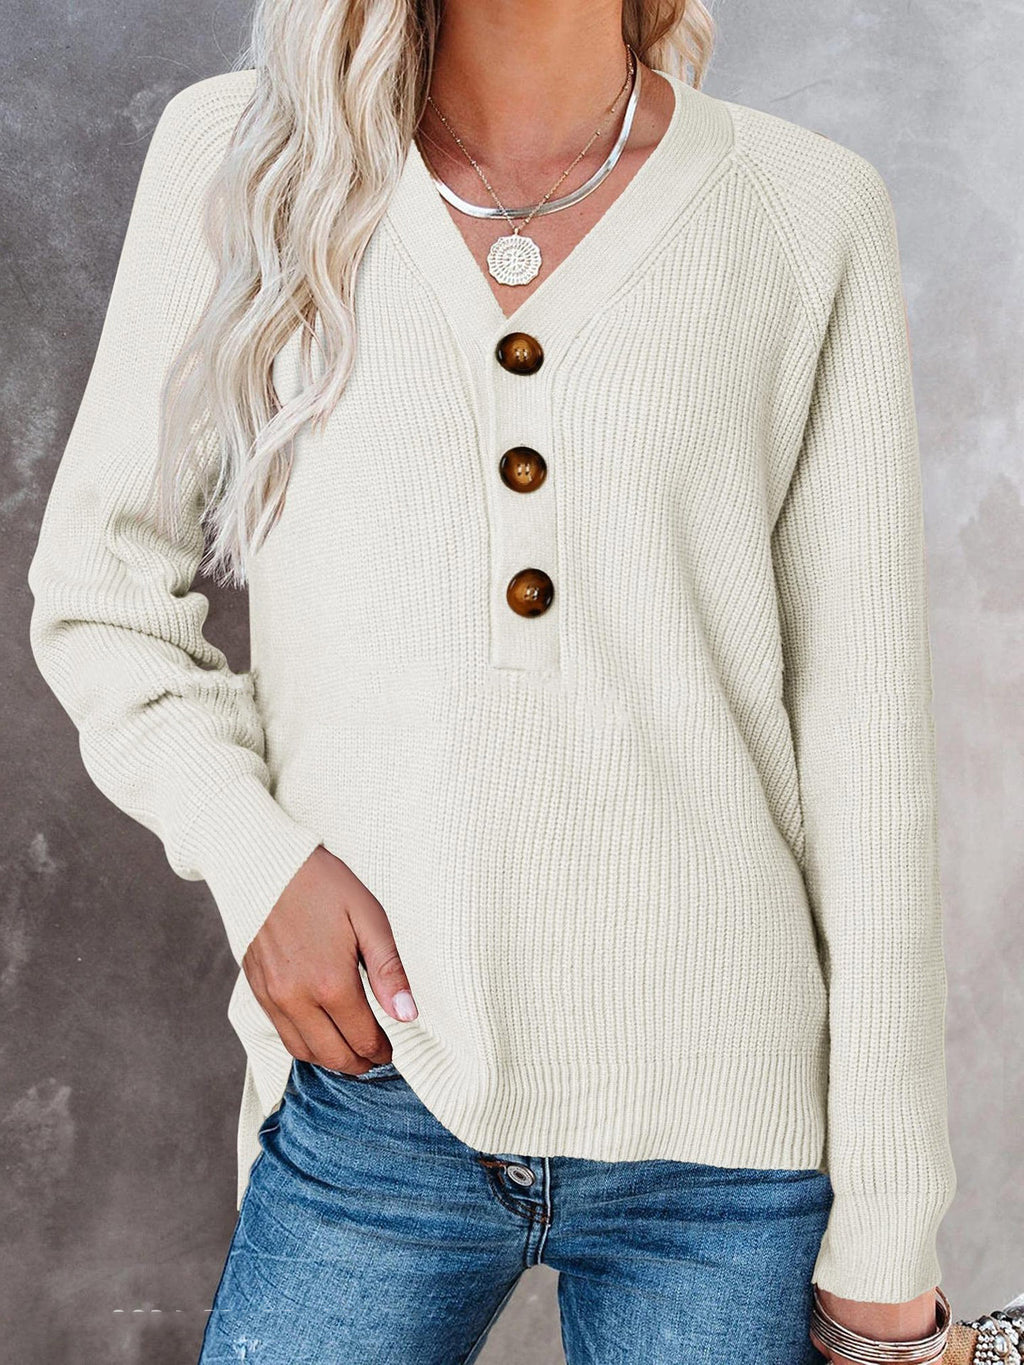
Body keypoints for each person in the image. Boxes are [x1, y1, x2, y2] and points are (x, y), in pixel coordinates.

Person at [26, 1, 958, 1362]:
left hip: (729, 1142)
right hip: (375, 1089)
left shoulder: (808, 213)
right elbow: (103, 595)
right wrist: (260, 859)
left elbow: (869, 753)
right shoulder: (245, 162)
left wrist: (887, 1242)